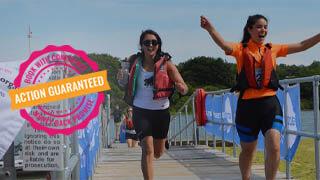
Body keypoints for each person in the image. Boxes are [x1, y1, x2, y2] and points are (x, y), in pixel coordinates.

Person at [200, 15, 320, 180]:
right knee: (248, 151)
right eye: (258, 26)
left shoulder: (273, 49)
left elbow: (302, 45)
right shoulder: (240, 50)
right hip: (247, 108)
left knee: (275, 147)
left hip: (270, 105)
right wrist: (210, 29)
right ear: (249, 29)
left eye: (265, 27)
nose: (263, 30)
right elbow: (223, 44)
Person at [118, 29, 188, 180]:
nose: (150, 45)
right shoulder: (132, 62)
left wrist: (181, 87)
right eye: (147, 42)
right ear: (141, 45)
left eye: (154, 42)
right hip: (140, 111)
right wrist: (121, 78)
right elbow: (122, 83)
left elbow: (183, 85)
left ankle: (163, 140)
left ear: (159, 45)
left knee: (157, 153)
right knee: (147, 149)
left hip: (161, 112)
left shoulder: (167, 64)